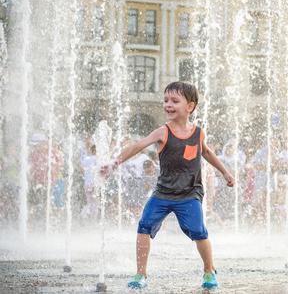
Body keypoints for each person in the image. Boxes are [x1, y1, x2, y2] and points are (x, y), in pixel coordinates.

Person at [100, 81, 234, 289]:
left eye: (174, 101)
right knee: (144, 226)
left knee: (199, 231)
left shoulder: (198, 133)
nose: (167, 105)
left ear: (189, 106)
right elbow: (137, 146)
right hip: (163, 193)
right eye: (165, 100)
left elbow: (206, 152)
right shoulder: (162, 132)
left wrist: (224, 172)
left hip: (190, 193)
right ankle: (141, 275)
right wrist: (115, 162)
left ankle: (209, 270)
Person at [80, 145, 99, 222]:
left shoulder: (85, 159)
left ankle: (82, 214)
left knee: (89, 203)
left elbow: (81, 169)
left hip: (87, 184)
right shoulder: (97, 159)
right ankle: (93, 220)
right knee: (96, 203)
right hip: (95, 184)